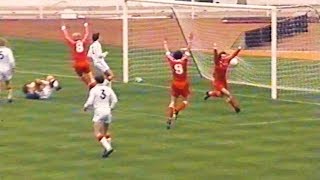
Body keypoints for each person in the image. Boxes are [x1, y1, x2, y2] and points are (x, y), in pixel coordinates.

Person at [83, 75, 118, 158]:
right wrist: (111, 107)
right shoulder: (108, 89)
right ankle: (107, 149)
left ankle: (108, 148)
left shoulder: (94, 90)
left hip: (99, 112)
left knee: (97, 132)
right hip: (107, 111)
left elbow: (90, 101)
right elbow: (115, 100)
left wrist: (85, 107)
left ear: (96, 81)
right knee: (105, 132)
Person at [163, 33, 193, 129]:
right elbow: (188, 51)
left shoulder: (172, 60)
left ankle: (170, 117)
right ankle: (176, 111)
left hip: (175, 83)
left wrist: (165, 43)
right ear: (181, 56)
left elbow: (167, 52)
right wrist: (190, 40)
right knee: (186, 100)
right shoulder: (184, 60)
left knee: (172, 101)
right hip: (184, 83)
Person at [204, 43, 241, 113]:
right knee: (228, 94)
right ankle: (236, 108)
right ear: (220, 57)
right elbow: (215, 56)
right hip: (217, 82)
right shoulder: (217, 62)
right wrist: (215, 49)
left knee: (220, 95)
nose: (224, 57)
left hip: (224, 81)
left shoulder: (227, 61)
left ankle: (210, 93)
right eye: (222, 56)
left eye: (225, 56)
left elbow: (233, 55)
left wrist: (239, 49)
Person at [61, 22, 96, 89]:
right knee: (90, 74)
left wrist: (64, 29)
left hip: (77, 64)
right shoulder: (83, 42)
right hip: (85, 62)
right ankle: (93, 81)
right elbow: (87, 34)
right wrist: (86, 26)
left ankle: (88, 85)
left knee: (81, 75)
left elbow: (66, 37)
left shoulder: (73, 43)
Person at [0, 37, 15, 103]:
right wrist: (13, 67)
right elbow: (11, 61)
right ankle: (9, 96)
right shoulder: (8, 50)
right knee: (8, 82)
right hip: (7, 69)